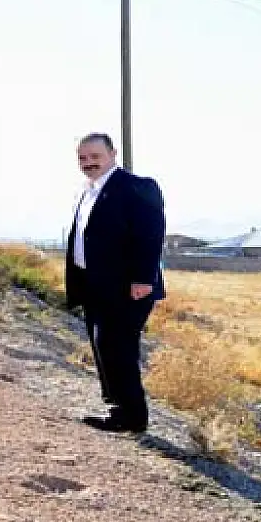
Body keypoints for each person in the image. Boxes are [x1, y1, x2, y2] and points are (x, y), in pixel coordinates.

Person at [65, 132, 166, 434]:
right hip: (95, 284)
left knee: (118, 348)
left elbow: (151, 235)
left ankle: (133, 418)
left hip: (128, 288)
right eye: (83, 158)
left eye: (95, 157)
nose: (88, 163)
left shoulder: (136, 187)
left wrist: (143, 279)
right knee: (103, 346)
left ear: (113, 155)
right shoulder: (87, 190)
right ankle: (117, 408)